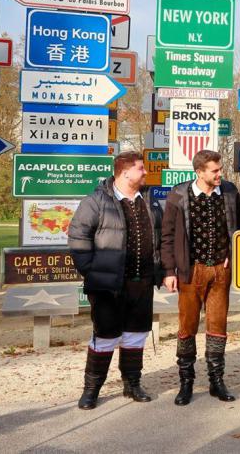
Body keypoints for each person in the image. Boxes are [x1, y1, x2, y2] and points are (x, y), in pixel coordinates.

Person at [68, 151, 162, 410]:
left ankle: (132, 384)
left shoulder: (149, 201)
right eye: (141, 168)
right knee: (105, 336)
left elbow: (161, 239)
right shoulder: (96, 201)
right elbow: (78, 238)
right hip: (108, 285)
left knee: (136, 335)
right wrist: (91, 272)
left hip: (142, 282)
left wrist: (160, 271)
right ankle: (91, 390)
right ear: (125, 172)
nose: (146, 172)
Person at [161, 150, 240, 406]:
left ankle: (216, 381)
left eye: (220, 169)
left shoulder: (229, 192)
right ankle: (186, 383)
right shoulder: (178, 195)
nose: (220, 174)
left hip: (221, 270)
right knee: (187, 328)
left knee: (218, 327)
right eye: (214, 170)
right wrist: (169, 271)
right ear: (199, 172)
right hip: (191, 270)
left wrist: (232, 253)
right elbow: (167, 236)